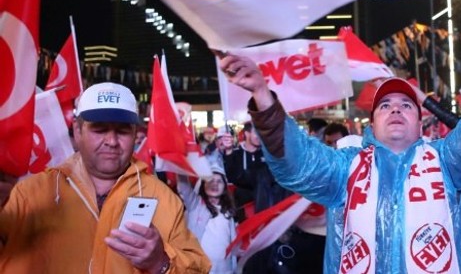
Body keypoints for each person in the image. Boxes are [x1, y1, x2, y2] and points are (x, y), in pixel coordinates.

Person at [217, 7, 461, 273]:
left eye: (406, 105)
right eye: (385, 105)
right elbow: (296, 161)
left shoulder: (447, 161)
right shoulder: (344, 168)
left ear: (420, 122)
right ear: (371, 123)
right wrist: (262, 93)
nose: (396, 110)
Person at [0, 82, 210, 273]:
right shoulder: (28, 193)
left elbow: (197, 269)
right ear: (77, 130)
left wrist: (160, 263)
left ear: (135, 132)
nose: (111, 141)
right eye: (99, 129)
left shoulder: (164, 199)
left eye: (122, 131)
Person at [222, 121, 291, 273]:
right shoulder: (236, 154)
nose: (260, 137)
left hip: (267, 211)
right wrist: (227, 153)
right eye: (256, 133)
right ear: (246, 133)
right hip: (242, 213)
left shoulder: (270, 156)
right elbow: (232, 176)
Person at [177, 159, 237, 274]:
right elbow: (183, 187)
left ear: (225, 187)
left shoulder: (228, 213)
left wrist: (234, 269)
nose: (214, 184)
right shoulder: (196, 205)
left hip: (224, 269)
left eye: (219, 181)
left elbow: (233, 243)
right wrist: (180, 163)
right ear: (202, 184)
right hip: (200, 268)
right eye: (210, 180)